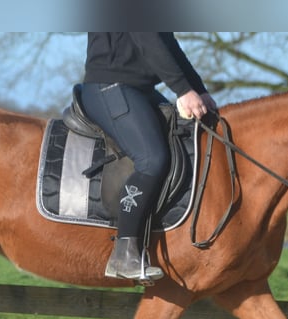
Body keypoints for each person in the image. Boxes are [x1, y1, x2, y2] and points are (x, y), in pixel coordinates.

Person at [80, 32, 218, 281]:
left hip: (140, 89)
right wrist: (183, 89)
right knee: (151, 160)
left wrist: (198, 89)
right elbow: (147, 37)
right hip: (110, 85)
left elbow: (167, 43)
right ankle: (123, 254)